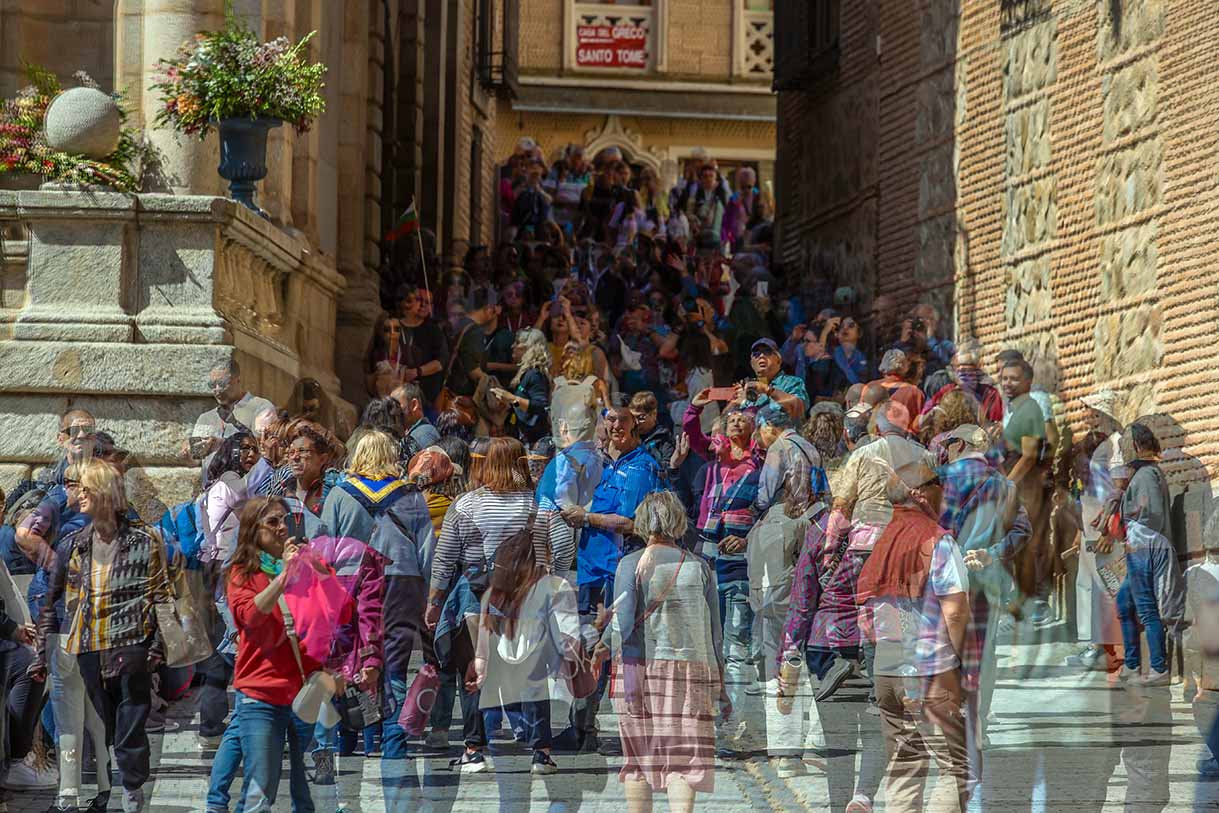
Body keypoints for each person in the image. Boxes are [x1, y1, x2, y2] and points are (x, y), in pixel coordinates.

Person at [38, 458, 171, 813]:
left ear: (103, 493)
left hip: (131, 646)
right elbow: (52, 600)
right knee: (105, 727)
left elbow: (161, 594)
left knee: (130, 727)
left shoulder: (144, 541)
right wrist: (41, 653)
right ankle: (103, 785)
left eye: (85, 488)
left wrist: (155, 648)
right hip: (88, 648)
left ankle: (131, 789)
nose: (79, 495)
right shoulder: (74, 544)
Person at [424, 437, 563, 773]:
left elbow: (445, 558)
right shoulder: (535, 503)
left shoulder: (466, 504)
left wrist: (434, 601)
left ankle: (474, 749)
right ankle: (541, 752)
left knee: (473, 672)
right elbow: (558, 545)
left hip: (475, 597)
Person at [856, 460, 972, 813]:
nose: (944, 491)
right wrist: (964, 660)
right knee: (959, 768)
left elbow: (865, 614)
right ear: (920, 493)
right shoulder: (937, 541)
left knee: (905, 768)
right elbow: (954, 609)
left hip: (887, 670)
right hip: (929, 671)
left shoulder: (882, 541)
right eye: (938, 483)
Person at [602, 491, 727, 813]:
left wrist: (599, 646)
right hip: (694, 671)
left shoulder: (630, 565)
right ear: (678, 522)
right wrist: (721, 684)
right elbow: (716, 635)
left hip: (641, 671)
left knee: (639, 759)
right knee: (683, 761)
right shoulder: (700, 568)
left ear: (643, 523)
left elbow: (623, 625)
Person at [561, 406, 665, 751]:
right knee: (587, 647)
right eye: (610, 421)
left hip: (621, 571)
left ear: (636, 427)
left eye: (623, 421)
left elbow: (634, 523)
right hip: (591, 571)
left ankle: (630, 731)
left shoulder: (641, 468)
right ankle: (582, 728)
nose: (615, 426)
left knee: (619, 651)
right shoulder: (600, 464)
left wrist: (587, 517)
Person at [222, 496, 327, 813]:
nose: (283, 528)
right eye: (272, 522)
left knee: (306, 791)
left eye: (285, 520)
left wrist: (318, 569)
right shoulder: (241, 573)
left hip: (304, 691)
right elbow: (252, 617)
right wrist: (284, 577)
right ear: (253, 531)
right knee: (261, 790)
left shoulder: (303, 563)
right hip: (262, 693)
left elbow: (332, 612)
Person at [472, 518, 586, 787]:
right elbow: (556, 625)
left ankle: (477, 748)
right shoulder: (545, 584)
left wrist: (481, 658)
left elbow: (484, 626)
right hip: (535, 650)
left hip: (502, 648)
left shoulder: (495, 588)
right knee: (537, 701)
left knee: (494, 698)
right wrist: (567, 654)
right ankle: (540, 755)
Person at [679, 393, 759, 755]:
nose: (736, 422)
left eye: (743, 418)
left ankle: (734, 722)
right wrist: (695, 408)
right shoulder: (715, 455)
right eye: (731, 419)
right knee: (706, 641)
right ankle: (707, 718)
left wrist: (747, 539)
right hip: (707, 553)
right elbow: (692, 434)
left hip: (740, 559)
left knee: (735, 646)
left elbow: (765, 507)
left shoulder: (760, 463)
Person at [1116, 422, 1184, 686]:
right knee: (1125, 602)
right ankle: (1132, 664)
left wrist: (1134, 526)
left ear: (1135, 446)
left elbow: (1152, 513)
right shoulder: (1144, 473)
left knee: (1145, 607)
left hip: (1143, 545)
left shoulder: (1145, 475)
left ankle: (1158, 668)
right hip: (1140, 544)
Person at [190, 359, 275, 477]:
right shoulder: (206, 418)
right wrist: (188, 450)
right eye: (212, 385)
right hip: (213, 492)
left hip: (248, 491)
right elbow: (195, 458)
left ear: (238, 380)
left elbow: (265, 447)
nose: (217, 389)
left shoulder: (261, 408)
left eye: (223, 383)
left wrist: (222, 444)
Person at [491, 328, 552, 445]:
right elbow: (523, 405)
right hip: (525, 438)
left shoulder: (535, 374)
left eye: (517, 342)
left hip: (535, 442)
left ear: (528, 348)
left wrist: (512, 399)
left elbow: (540, 406)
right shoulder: (526, 373)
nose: (512, 346)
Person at [397, 285, 449, 407]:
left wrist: (417, 372)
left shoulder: (433, 330)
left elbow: (441, 361)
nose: (424, 305)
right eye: (420, 299)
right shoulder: (394, 326)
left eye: (428, 302)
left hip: (425, 398)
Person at [739, 338, 810, 420]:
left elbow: (799, 408)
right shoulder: (749, 389)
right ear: (752, 364)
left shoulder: (792, 382)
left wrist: (767, 390)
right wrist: (735, 403)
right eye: (756, 354)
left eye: (767, 352)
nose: (761, 356)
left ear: (778, 360)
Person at [867, 350, 924, 433]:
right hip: (902, 440)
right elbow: (917, 425)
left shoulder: (870, 386)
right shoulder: (914, 392)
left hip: (870, 438)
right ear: (905, 367)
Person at [630, 392, 676, 478]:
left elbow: (668, 467)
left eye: (641, 418)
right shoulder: (629, 436)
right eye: (633, 417)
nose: (636, 422)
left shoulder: (664, 438)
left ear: (654, 414)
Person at [392, 382, 441, 463]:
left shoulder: (424, 434)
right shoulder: (413, 433)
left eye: (397, 407)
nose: (393, 412)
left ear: (414, 405)